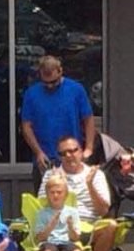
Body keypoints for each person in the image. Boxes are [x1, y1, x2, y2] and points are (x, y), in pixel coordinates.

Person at [37, 135, 116, 251]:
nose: (69, 155)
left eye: (73, 150)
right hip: (59, 226)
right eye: (64, 153)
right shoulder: (51, 175)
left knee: (111, 226)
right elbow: (41, 208)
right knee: (43, 235)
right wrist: (60, 188)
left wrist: (89, 184)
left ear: (81, 152)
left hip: (88, 226)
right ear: (59, 156)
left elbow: (103, 211)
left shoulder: (96, 175)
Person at [21, 55, 95, 189]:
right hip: (46, 158)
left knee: (76, 199)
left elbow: (88, 119)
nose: (49, 86)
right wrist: (38, 152)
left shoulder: (76, 90)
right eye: (46, 82)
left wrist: (88, 148)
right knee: (45, 201)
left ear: (60, 71)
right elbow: (26, 127)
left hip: (72, 155)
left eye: (53, 82)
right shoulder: (32, 94)